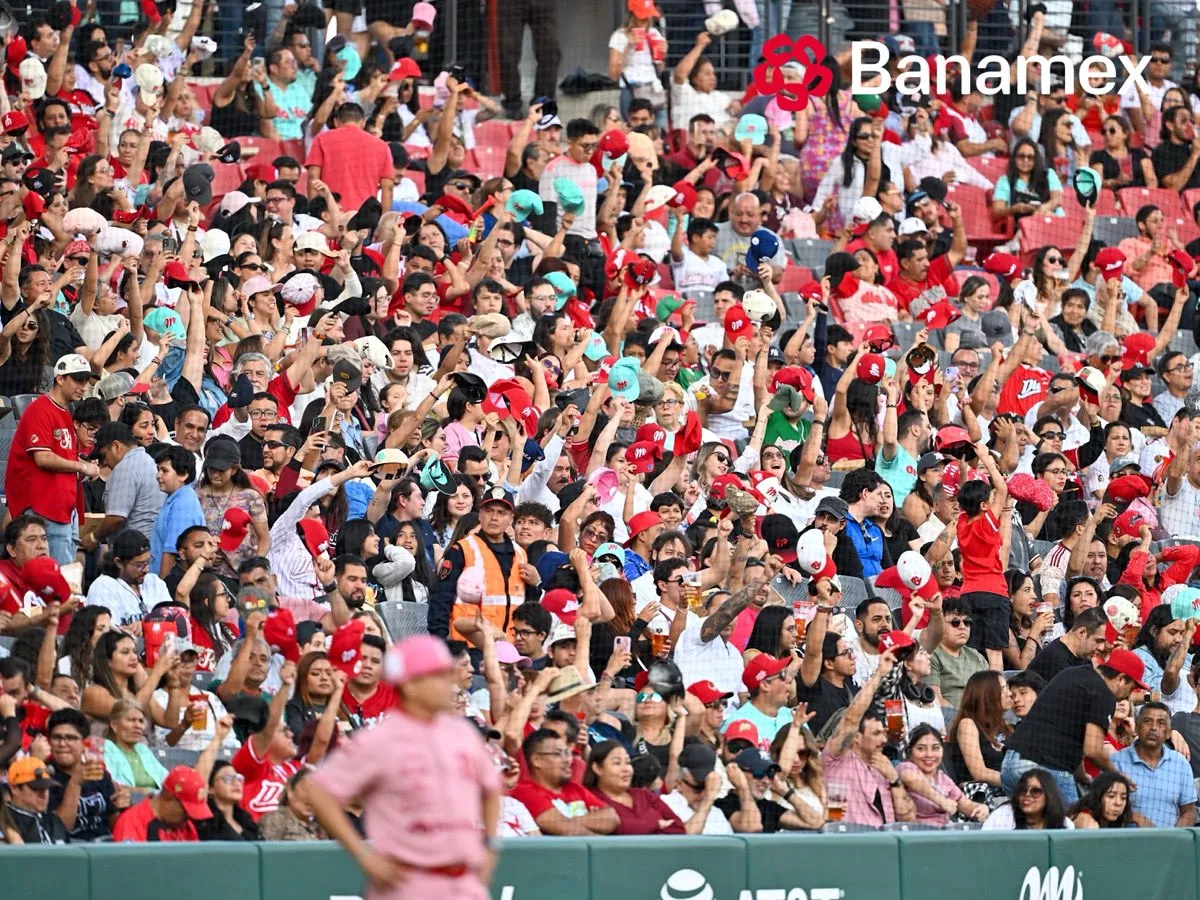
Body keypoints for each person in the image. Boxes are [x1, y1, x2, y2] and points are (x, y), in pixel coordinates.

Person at [307, 635, 506, 896]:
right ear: (410, 685)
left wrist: (490, 846)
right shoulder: (380, 739)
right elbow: (319, 790)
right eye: (439, 675)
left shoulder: (463, 732)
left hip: (466, 884)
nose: (449, 682)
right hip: (408, 884)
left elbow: (491, 787)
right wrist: (365, 857)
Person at [1002, 648, 1149, 803]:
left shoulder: (1074, 674)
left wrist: (1082, 776)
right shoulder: (1104, 693)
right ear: (1121, 679)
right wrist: (1117, 775)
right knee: (1075, 821)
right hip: (1041, 768)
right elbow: (1093, 749)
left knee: (1034, 825)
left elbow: (1069, 737)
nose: (1128, 695)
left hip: (1011, 765)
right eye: (1131, 688)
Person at [4, 353, 99, 564]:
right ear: (60, 378)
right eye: (77, 379)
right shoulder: (40, 409)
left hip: (64, 508)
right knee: (51, 581)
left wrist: (82, 469)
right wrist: (82, 467)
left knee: (65, 579)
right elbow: (43, 458)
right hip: (43, 507)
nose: (83, 386)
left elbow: (63, 460)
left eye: (85, 380)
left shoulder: (65, 413)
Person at [820, 649, 917, 825]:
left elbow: (908, 819)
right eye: (876, 733)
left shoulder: (884, 767)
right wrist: (879, 674)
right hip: (849, 840)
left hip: (884, 843)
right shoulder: (836, 759)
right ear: (856, 737)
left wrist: (894, 780)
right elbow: (850, 718)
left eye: (883, 733)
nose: (883, 740)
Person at [1111, 701, 1197, 827]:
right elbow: (1104, 807)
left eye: (1161, 723)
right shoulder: (1116, 761)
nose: (1154, 728)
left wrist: (1174, 840)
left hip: (1169, 843)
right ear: (1137, 727)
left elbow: (1189, 811)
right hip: (1127, 842)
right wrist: (1133, 817)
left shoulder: (1180, 764)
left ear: (1168, 732)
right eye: (1147, 721)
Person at [584, 740, 684, 834]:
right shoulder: (591, 799)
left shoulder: (644, 795)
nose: (626, 769)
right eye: (617, 763)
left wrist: (640, 829)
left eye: (628, 762)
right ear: (597, 768)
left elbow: (679, 828)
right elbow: (620, 831)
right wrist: (656, 824)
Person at [898, 724, 988, 826]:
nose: (929, 754)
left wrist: (979, 808)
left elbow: (964, 804)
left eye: (935, 748)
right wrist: (941, 801)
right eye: (921, 748)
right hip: (916, 834)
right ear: (910, 753)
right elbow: (911, 779)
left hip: (943, 834)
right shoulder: (906, 767)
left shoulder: (942, 778)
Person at [982, 769, 1074, 830]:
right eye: (1023, 790)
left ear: (1049, 795)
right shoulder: (1002, 816)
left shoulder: (1064, 824)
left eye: (1035, 791)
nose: (1027, 795)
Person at [4, 756, 69, 844]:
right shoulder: (5, 820)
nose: (43, 794)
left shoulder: (54, 820)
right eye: (36, 788)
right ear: (14, 788)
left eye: (46, 788)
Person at [1070, 771, 1141, 828]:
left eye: (1123, 798)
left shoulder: (1118, 821)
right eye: (1111, 796)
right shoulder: (1088, 823)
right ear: (1097, 797)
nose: (1118, 803)